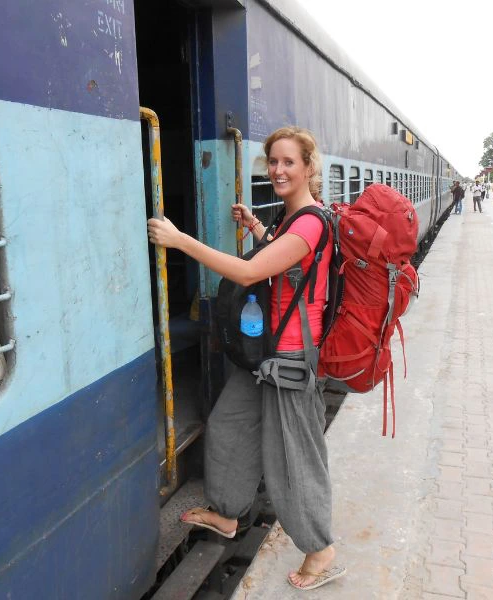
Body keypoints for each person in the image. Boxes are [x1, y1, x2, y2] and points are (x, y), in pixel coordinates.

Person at [147, 126, 345, 590]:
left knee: (293, 458)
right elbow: (282, 257)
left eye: (288, 162)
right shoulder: (289, 218)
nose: (277, 169)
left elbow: (253, 269)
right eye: (272, 161)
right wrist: (256, 226)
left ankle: (321, 550)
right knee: (230, 425)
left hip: (292, 359)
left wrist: (181, 241)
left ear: (308, 168)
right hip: (265, 355)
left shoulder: (311, 221)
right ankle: (225, 513)